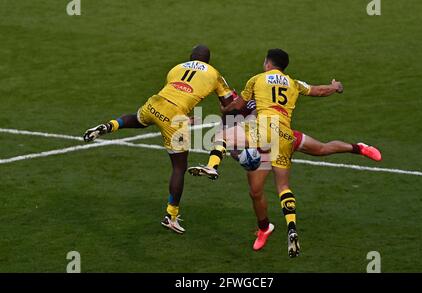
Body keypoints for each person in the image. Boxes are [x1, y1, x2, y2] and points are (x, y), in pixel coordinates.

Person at [188, 48, 382, 257]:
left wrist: (225, 111)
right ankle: (282, 228)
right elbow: (318, 90)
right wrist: (334, 87)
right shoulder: (292, 83)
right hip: (284, 135)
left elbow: (238, 104)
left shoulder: (256, 80)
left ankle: (213, 167)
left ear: (267, 63)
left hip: (261, 132)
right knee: (297, 171)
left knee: (224, 140)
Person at [83, 45, 234, 234]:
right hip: (174, 116)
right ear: (208, 61)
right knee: (179, 167)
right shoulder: (215, 74)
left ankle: (109, 125)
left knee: (139, 119)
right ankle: (171, 216)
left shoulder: (177, 68)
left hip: (155, 103)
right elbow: (229, 104)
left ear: (190, 57)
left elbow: (173, 94)